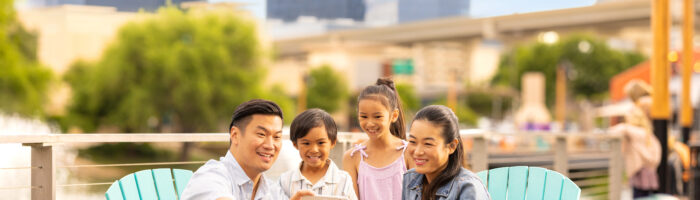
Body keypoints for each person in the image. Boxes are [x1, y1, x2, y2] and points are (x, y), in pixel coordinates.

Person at [181, 99, 313, 200]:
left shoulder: (271, 191)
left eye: (277, 137)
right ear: (235, 135)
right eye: (261, 134)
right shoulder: (210, 177)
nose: (270, 145)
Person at [342, 77, 415, 200]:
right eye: (364, 116)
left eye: (377, 116)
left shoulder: (410, 152)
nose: (370, 123)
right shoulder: (352, 158)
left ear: (394, 115)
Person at [402, 105, 490, 200]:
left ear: (452, 146)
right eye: (412, 142)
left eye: (428, 144)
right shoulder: (408, 180)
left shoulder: (468, 188)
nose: (418, 152)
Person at [278, 109, 357, 200]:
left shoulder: (344, 180)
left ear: (332, 142)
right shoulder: (285, 181)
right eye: (306, 143)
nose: (314, 150)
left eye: (320, 143)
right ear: (295, 144)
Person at [609, 81, 661, 198]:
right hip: (649, 165)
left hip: (641, 167)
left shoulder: (639, 109)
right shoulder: (649, 106)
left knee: (639, 194)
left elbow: (622, 129)